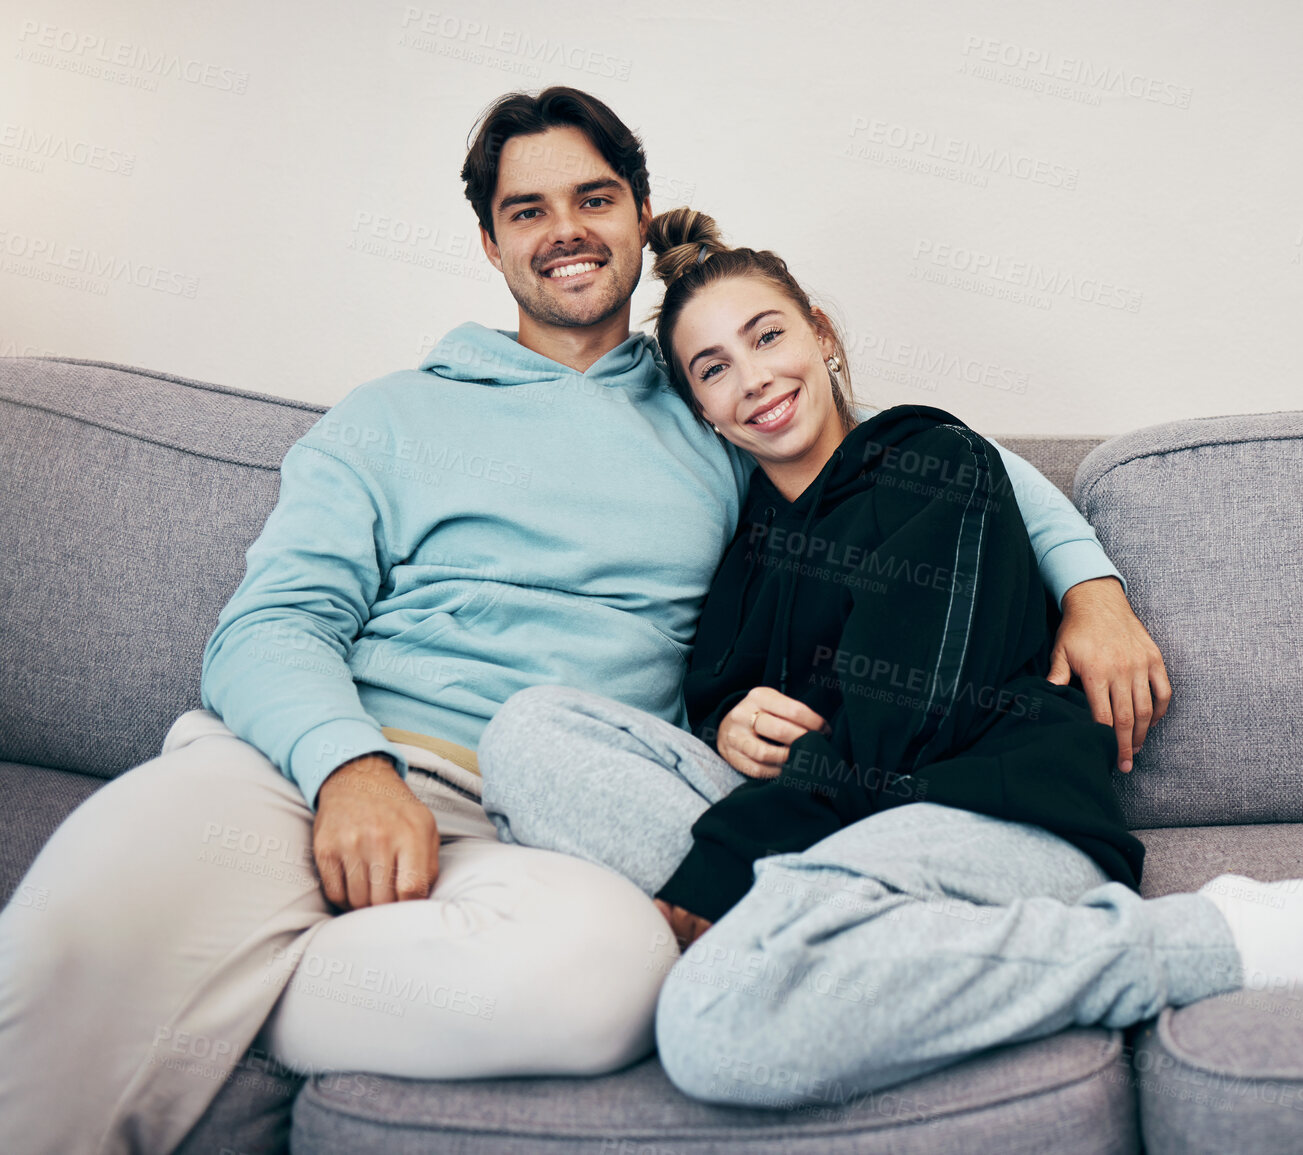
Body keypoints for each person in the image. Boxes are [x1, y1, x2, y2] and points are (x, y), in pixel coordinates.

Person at [0, 87, 1170, 1155]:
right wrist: (349, 766)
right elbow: (265, 628)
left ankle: (228, 977)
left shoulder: (709, 407)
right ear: (490, 241)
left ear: (638, 214)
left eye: (594, 197)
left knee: (607, 992)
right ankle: (210, 958)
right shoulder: (390, 417)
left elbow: (924, 459)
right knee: (64, 955)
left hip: (539, 822)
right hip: (305, 767)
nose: (565, 227)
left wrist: (1092, 585)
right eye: (529, 208)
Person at [477, 209, 1303, 1110]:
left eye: (768, 336)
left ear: (821, 334)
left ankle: (1207, 942)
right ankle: (801, 934)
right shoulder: (739, 543)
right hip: (819, 829)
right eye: (713, 369)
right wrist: (725, 719)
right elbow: (710, 699)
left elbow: (902, 710)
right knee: (530, 734)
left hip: (978, 805)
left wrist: (724, 861)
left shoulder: (929, 458)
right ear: (701, 407)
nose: (754, 381)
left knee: (718, 1023)